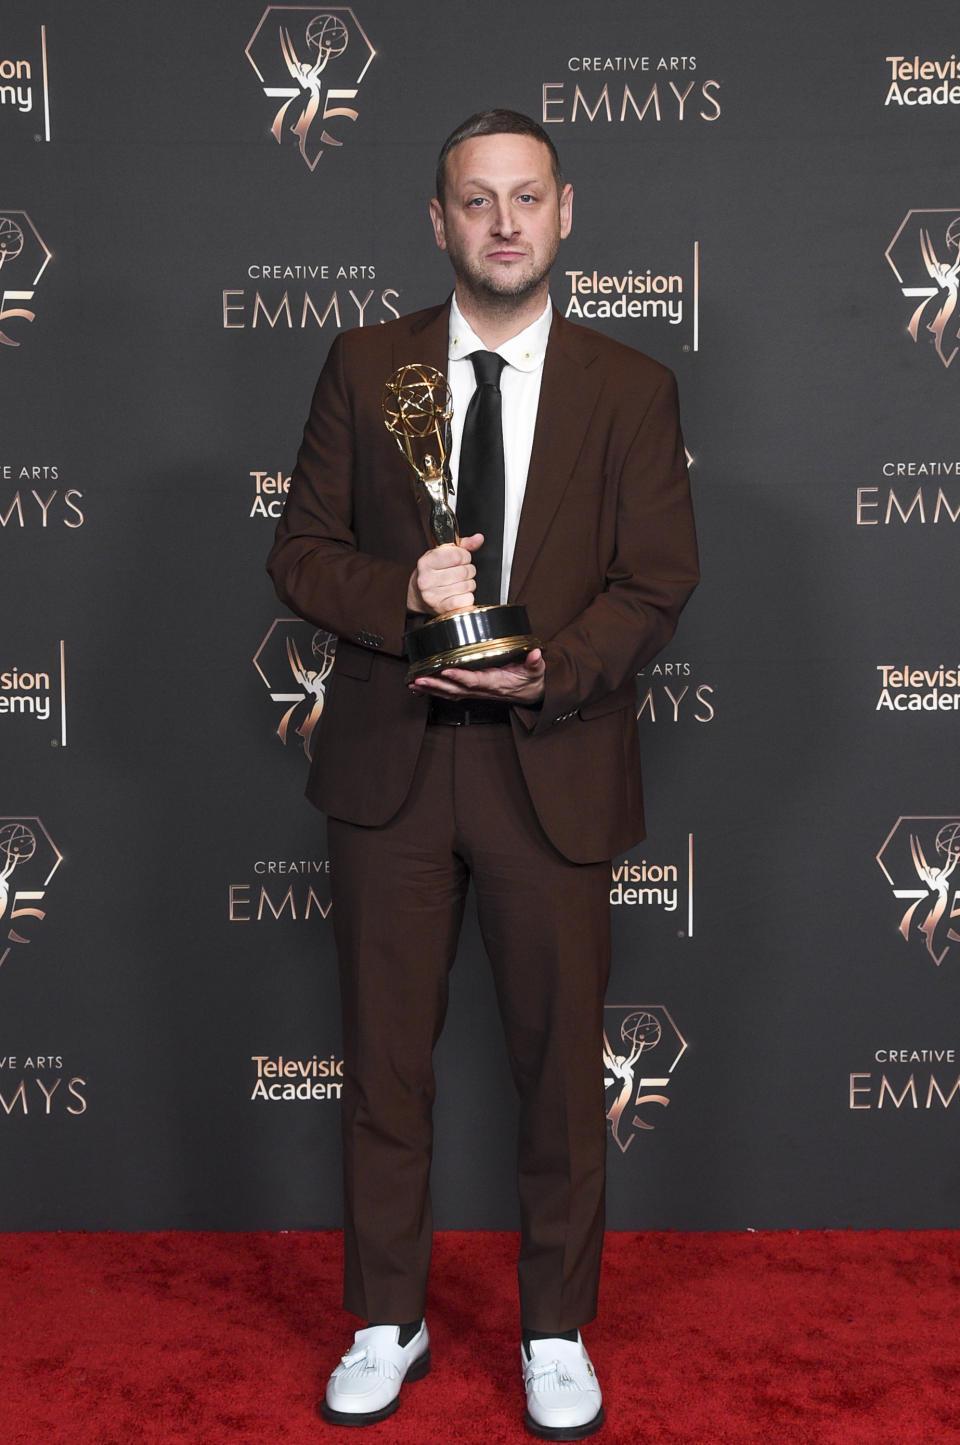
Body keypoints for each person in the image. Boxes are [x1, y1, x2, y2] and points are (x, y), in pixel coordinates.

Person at [267, 108, 698, 1440]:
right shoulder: (362, 363)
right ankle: (386, 1316)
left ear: (566, 213)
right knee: (385, 1064)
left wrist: (553, 667)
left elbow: (658, 580)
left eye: (527, 198)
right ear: (437, 221)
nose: (504, 223)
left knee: (562, 1071)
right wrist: (400, 590)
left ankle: (555, 1328)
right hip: (393, 769)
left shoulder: (630, 387)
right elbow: (298, 553)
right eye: (476, 200)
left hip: (549, 763)